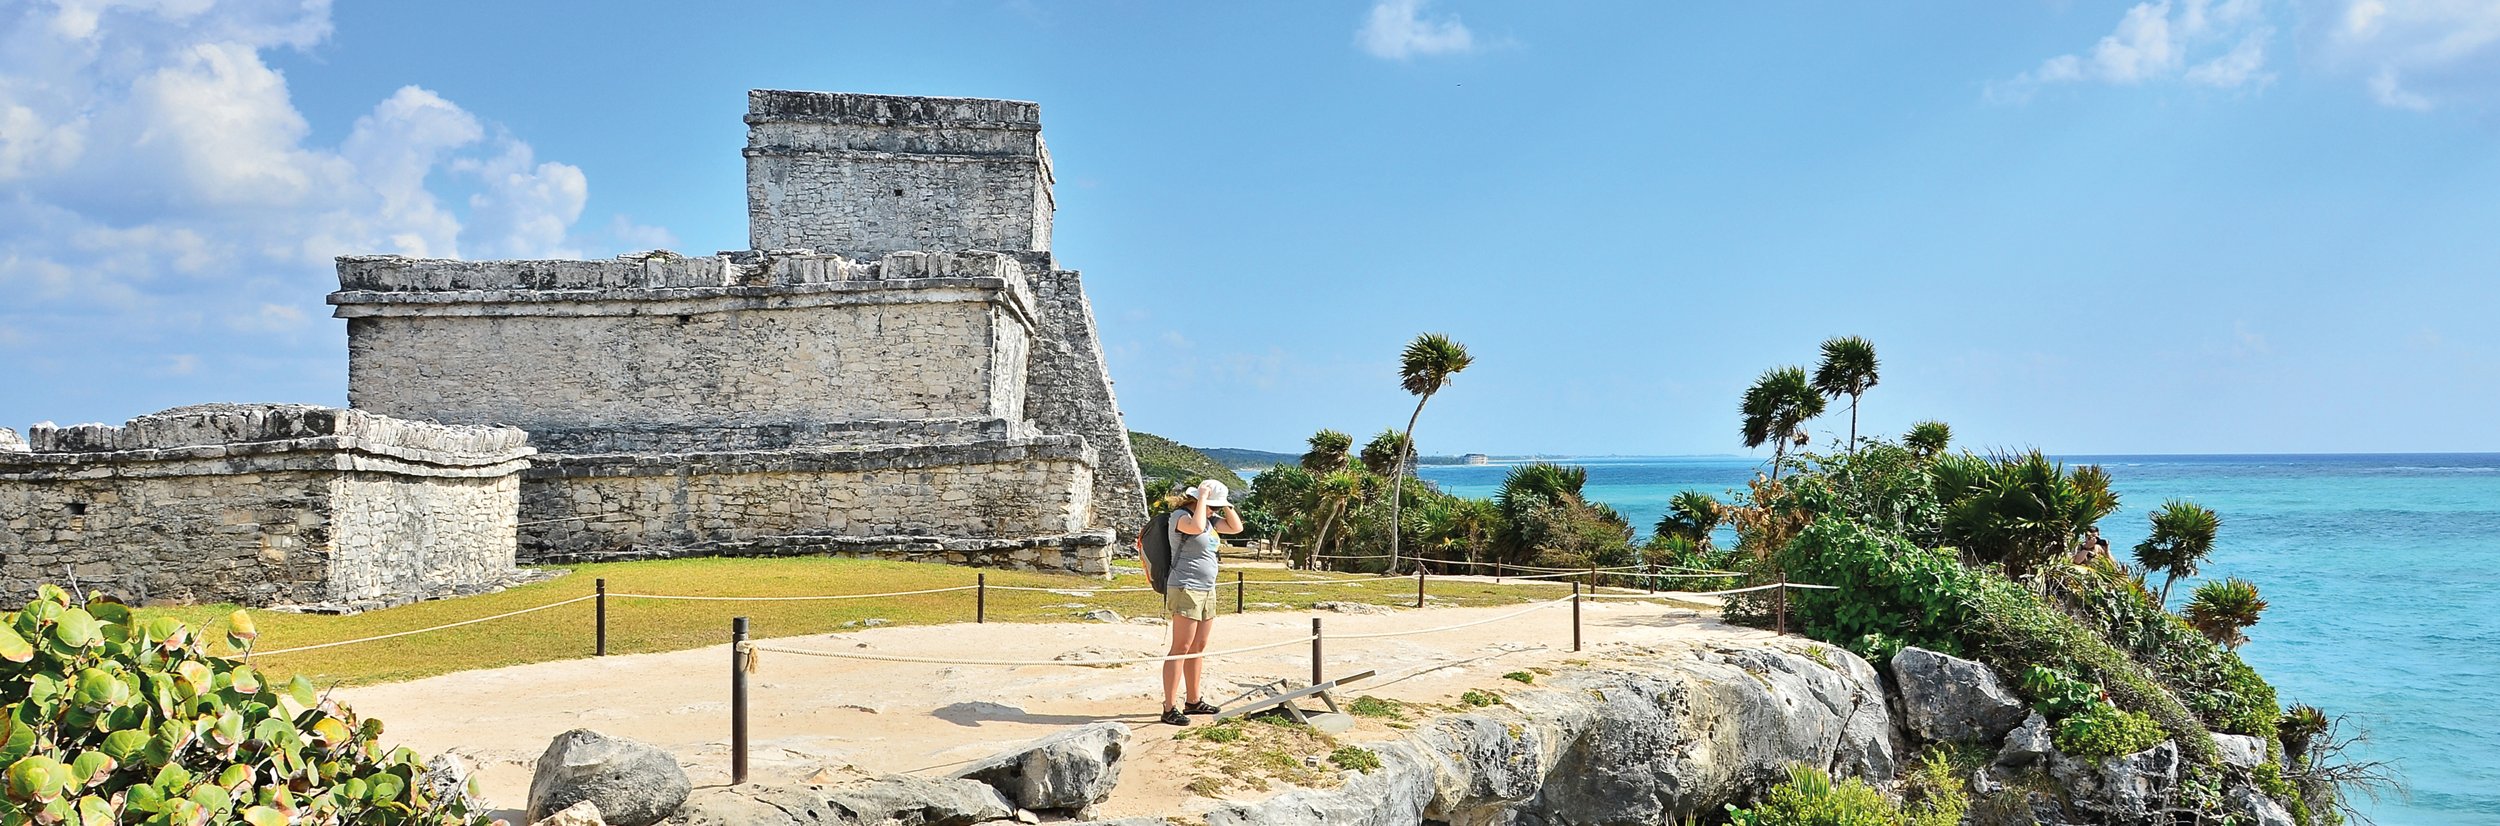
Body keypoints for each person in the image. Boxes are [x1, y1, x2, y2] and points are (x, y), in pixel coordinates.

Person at [1154, 479, 1241, 726]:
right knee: (1180, 647)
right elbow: (1196, 526)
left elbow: (1236, 528)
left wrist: (1225, 505)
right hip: (1185, 587)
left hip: (1207, 589)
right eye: (1212, 504)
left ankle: (1193, 700)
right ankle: (1169, 707)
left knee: (1198, 646)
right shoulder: (1180, 517)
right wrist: (1203, 499)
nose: (1214, 509)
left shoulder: (1211, 519)